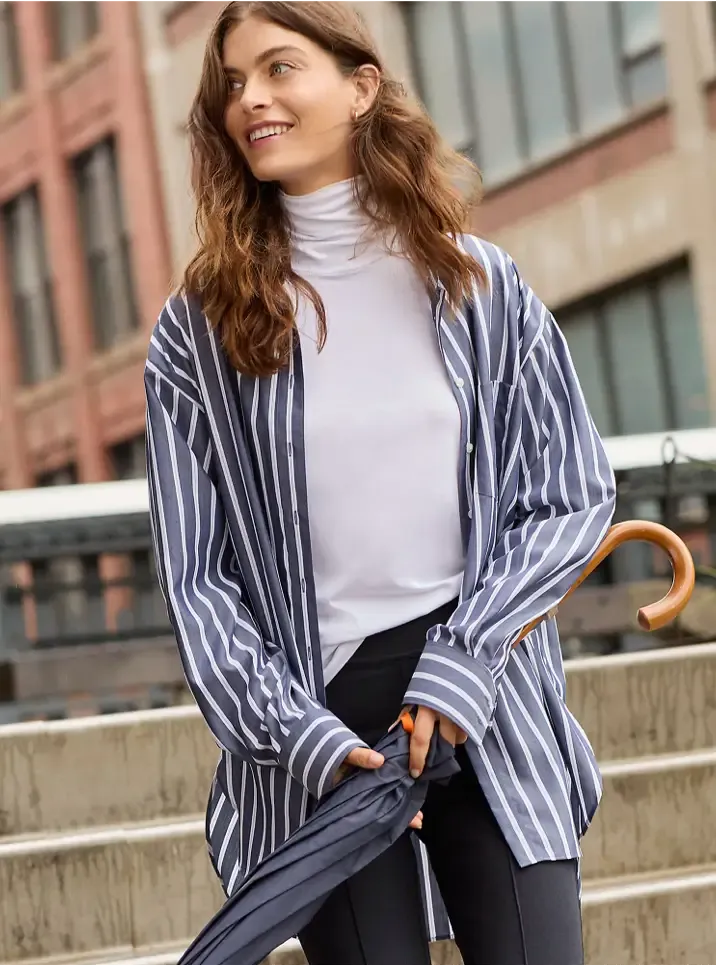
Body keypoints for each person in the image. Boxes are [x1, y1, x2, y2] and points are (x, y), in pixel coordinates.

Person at [144, 1, 616, 963]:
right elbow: (197, 582)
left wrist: (466, 659)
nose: (250, 99)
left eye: (279, 68)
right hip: (314, 726)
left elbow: (568, 494)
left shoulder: (480, 287)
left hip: (482, 689)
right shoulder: (197, 332)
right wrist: (299, 735)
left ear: (361, 87)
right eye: (232, 84)